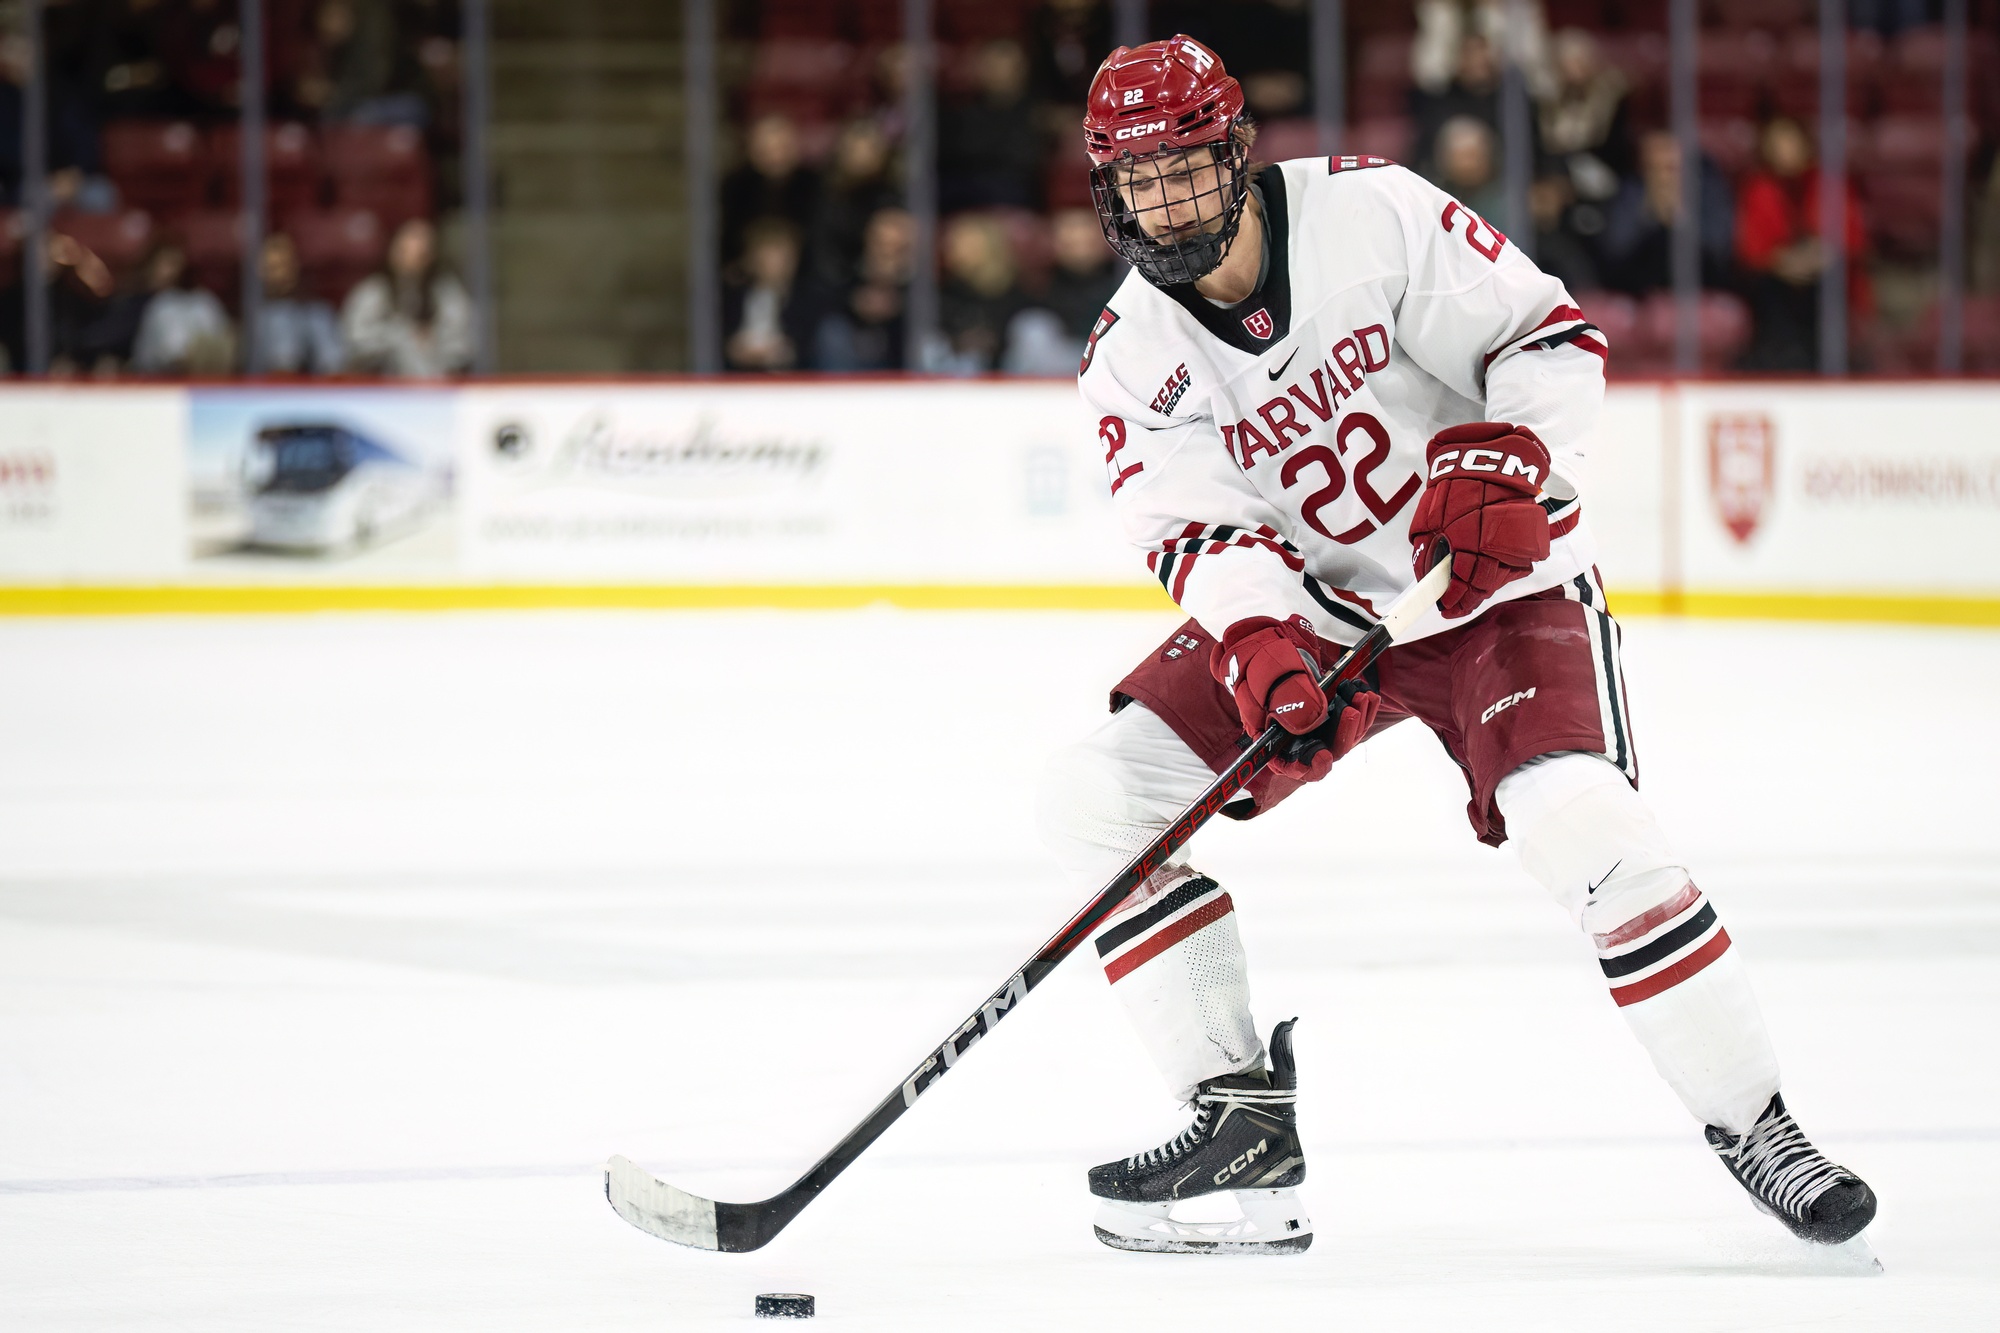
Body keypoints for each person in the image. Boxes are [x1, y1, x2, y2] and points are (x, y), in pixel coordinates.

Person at [1043, 35, 1877, 1257]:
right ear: (1107, 194)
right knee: (1096, 794)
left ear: (1234, 152)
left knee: (1581, 822)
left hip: (1484, 581)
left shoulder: (1370, 211)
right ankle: (1238, 1120)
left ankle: (1756, 1123)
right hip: (1324, 617)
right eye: (1137, 180)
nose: (1164, 200)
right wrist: (1261, 641)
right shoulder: (1126, 358)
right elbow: (1198, 531)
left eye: (1183, 167)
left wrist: (1511, 456)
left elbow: (1546, 338)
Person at [1733, 116, 1867, 371]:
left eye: (1788, 142)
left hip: (1826, 276)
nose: (1782, 150)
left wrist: (1813, 260)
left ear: (1805, 145)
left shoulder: (1829, 184)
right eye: (1775, 144)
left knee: (1827, 286)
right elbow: (1753, 251)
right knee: (1770, 291)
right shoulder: (1759, 188)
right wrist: (1786, 263)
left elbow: (1846, 242)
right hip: (1777, 281)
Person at [1599, 129, 1736, 297]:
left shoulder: (1709, 191)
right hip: (1640, 287)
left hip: (1700, 281)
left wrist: (1680, 219)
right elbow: (1614, 250)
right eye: (1653, 170)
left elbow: (1719, 250)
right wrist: (1649, 214)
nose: (1663, 178)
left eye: (1669, 169)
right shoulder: (1631, 192)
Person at [340, 217, 473, 378]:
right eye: (404, 250)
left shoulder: (447, 293)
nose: (411, 258)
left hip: (437, 387)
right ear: (392, 250)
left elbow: (461, 345)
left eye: (421, 252)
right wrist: (400, 335)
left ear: (431, 255)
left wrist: (430, 342)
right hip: (379, 388)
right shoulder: (373, 291)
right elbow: (354, 340)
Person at [938, 39, 1043, 212]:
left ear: (1022, 70)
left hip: (1011, 193)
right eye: (991, 66)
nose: (997, 73)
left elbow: (1025, 160)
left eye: (1004, 66)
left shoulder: (1037, 113)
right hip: (962, 189)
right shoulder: (961, 111)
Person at [813, 207, 914, 371]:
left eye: (897, 247)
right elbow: (820, 306)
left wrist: (898, 307)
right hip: (856, 352)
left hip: (901, 359)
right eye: (881, 244)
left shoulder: (922, 286)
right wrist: (855, 305)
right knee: (834, 332)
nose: (887, 253)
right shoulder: (848, 274)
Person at [721, 113, 819, 266]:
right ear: (752, 150)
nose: (775, 158)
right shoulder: (736, 187)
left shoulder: (814, 184)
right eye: (766, 150)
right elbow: (728, 240)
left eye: (781, 148)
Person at [934, 213, 1028, 373]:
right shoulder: (948, 290)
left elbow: (1020, 326)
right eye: (956, 244)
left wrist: (994, 339)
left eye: (969, 245)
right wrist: (959, 340)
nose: (959, 251)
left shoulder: (1015, 288)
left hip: (1010, 366)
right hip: (959, 366)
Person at [128, 239, 235, 374]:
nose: (171, 272)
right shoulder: (143, 306)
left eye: (176, 264)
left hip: (206, 383)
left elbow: (224, 346)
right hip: (153, 382)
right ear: (149, 265)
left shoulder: (204, 302)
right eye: (166, 263)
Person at [248, 233, 345, 374]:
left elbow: (333, 360)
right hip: (264, 389)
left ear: (294, 266)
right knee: (280, 318)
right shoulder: (249, 311)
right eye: (272, 268)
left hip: (317, 390)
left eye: (283, 266)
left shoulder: (316, 310)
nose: (279, 275)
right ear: (259, 270)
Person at [723, 218, 811, 372]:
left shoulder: (806, 300)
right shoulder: (732, 299)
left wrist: (784, 352)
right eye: (768, 253)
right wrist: (734, 349)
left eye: (784, 254)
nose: (777, 261)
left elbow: (808, 348)